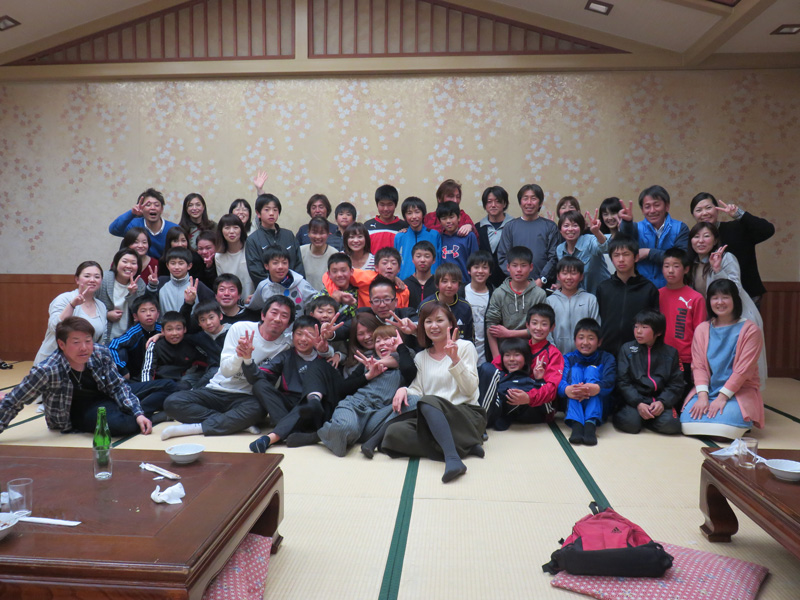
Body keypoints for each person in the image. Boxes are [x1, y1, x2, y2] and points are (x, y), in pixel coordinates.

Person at [160, 295, 294, 439]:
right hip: (217, 389)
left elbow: (306, 336)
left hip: (246, 398)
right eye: (274, 313)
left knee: (259, 410)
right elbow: (226, 371)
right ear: (263, 315)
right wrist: (240, 355)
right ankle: (235, 422)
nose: (277, 319)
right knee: (172, 402)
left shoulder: (287, 343)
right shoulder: (240, 328)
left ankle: (198, 428)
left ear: (288, 324)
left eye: (284, 316)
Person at [380, 302, 486, 483]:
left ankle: (453, 458)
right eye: (428, 322)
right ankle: (463, 445)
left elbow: (470, 389)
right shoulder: (421, 357)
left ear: (450, 324)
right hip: (435, 420)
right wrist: (403, 389)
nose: (434, 326)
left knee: (428, 401)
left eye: (439, 320)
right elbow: (417, 390)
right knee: (392, 434)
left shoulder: (464, 347)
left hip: (466, 415)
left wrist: (455, 360)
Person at [0, 318, 154, 436]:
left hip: (104, 400)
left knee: (164, 386)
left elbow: (117, 387)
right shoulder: (47, 370)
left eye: (88, 341)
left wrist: (138, 413)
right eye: (76, 342)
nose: (84, 348)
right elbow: (13, 401)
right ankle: (150, 413)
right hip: (74, 416)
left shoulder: (100, 353)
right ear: (62, 344)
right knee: (121, 425)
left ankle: (140, 412)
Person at [286, 326, 418, 456]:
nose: (382, 343)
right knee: (346, 428)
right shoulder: (368, 361)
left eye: (387, 339)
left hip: (378, 416)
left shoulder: (406, 356)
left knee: (415, 401)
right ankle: (318, 435)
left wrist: (400, 347)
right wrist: (367, 376)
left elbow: (409, 370)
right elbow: (342, 389)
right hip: (354, 407)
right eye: (378, 341)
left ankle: (373, 440)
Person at [680, 279, 765, 439]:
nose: (720, 302)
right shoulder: (702, 329)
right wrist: (703, 397)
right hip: (708, 389)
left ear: (735, 300)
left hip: (738, 391)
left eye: (725, 297)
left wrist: (722, 398)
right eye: (715, 298)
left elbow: (743, 371)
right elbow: (698, 366)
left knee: (726, 427)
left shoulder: (750, 330)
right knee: (687, 422)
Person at [687, 221, 767, 388]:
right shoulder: (692, 264)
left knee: (739, 362)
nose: (700, 240)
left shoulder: (726, 258)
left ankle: (744, 395)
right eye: (696, 236)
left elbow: (734, 289)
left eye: (706, 236)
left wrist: (718, 270)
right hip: (712, 318)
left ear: (716, 240)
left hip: (736, 315)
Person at [244, 315, 338, 452]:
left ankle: (273, 437)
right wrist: (247, 359)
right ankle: (295, 432)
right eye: (299, 334)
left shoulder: (324, 357)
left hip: (313, 407)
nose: (303, 339)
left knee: (311, 403)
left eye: (309, 335)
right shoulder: (285, 356)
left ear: (317, 337)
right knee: (260, 385)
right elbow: (259, 376)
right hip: (288, 404)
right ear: (292, 335)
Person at [690, 192, 774, 305]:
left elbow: (767, 230)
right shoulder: (695, 239)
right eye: (699, 210)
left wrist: (739, 215)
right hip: (712, 302)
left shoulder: (736, 228)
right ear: (693, 215)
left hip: (747, 296)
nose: (704, 213)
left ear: (717, 210)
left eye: (708, 208)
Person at [488, 303, 564, 427]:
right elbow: (494, 367)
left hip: (538, 408)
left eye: (544, 324)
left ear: (552, 327)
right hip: (515, 399)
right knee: (489, 372)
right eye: (534, 323)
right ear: (527, 325)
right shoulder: (520, 347)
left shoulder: (554, 354)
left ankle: (500, 415)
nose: (538, 328)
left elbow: (552, 389)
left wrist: (528, 397)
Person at [612, 309, 684, 435]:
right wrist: (638, 403)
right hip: (635, 401)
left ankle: (648, 419)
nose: (638, 331)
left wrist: (662, 402)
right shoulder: (627, 349)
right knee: (630, 424)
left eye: (644, 327)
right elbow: (623, 381)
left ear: (659, 332)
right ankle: (642, 418)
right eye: (636, 327)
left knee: (672, 425)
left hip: (658, 401)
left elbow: (676, 383)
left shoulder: (671, 353)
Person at [595, 235, 659, 358]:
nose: (621, 259)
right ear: (611, 259)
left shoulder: (648, 289)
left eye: (626, 254)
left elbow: (654, 324)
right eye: (616, 255)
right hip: (607, 353)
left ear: (636, 257)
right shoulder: (603, 288)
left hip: (638, 354)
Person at [34, 261, 107, 365]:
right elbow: (54, 327)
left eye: (97, 277)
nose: (92, 280)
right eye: (87, 276)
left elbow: (100, 340)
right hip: (53, 362)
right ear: (77, 279)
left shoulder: (101, 306)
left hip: (82, 364)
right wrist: (72, 305)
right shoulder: (64, 299)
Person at [618, 185, 690, 288]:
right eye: (647, 207)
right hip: (641, 288)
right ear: (642, 210)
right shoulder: (636, 228)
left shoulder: (680, 228)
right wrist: (627, 222)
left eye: (657, 205)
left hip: (672, 287)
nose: (652, 211)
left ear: (667, 206)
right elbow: (625, 240)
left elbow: (681, 259)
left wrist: (649, 253)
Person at [558, 318, 616, 445]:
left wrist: (596, 388)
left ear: (599, 342)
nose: (585, 342)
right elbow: (559, 382)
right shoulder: (568, 358)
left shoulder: (607, 358)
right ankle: (577, 424)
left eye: (591, 338)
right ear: (575, 340)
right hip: (574, 400)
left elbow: (610, 381)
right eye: (581, 338)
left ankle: (590, 424)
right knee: (576, 371)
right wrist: (567, 390)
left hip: (599, 403)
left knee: (591, 370)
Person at [659, 247, 707, 395]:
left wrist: (696, 362)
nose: (670, 270)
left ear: (686, 269)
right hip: (659, 357)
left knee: (682, 400)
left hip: (685, 359)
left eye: (676, 266)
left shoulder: (696, 298)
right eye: (666, 266)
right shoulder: (656, 295)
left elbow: (700, 334)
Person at [485, 246, 547, 360]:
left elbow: (542, 328)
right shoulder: (499, 293)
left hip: (532, 352)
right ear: (508, 267)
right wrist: (497, 358)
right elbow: (491, 326)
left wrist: (509, 333)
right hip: (505, 353)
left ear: (531, 267)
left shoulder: (539, 294)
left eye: (523, 265)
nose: (519, 270)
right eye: (515, 265)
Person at [497, 184, 559, 288]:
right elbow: (503, 257)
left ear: (540, 203)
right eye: (525, 198)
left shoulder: (550, 227)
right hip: (516, 286)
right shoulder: (510, 227)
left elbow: (554, 257)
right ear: (520, 202)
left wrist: (542, 279)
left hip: (543, 286)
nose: (529, 202)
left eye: (533, 198)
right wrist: (517, 278)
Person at [477, 338, 539, 430]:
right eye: (507, 355)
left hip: (494, 413)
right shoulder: (499, 374)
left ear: (526, 359)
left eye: (517, 355)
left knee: (487, 368)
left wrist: (540, 381)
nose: (511, 359)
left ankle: (479, 421)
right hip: (478, 407)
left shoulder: (527, 381)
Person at [245, 193, 304, 285]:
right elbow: (256, 272)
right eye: (267, 210)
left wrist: (293, 283)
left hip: (293, 287)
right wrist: (277, 286)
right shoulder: (252, 240)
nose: (271, 213)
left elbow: (298, 264)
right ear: (258, 213)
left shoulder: (289, 235)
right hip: (268, 289)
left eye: (275, 210)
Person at [546, 256, 599, 355]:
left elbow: (596, 328)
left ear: (581, 276)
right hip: (556, 357)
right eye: (564, 273)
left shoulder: (590, 300)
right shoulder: (550, 301)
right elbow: (546, 332)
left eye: (574, 273)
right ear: (558, 276)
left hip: (585, 356)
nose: (569, 277)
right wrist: (554, 354)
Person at [141, 311, 206, 390]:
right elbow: (147, 371)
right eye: (169, 329)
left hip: (182, 383)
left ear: (184, 329)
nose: (174, 333)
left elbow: (205, 361)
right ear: (162, 331)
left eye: (178, 329)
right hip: (160, 385)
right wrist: (147, 389)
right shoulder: (155, 345)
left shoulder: (190, 344)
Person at [109, 188, 178, 260]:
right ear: (141, 208)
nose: (152, 208)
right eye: (148, 205)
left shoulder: (173, 228)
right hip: (136, 265)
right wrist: (131, 213)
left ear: (162, 209)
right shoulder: (134, 224)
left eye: (156, 205)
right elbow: (114, 230)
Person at [247, 247, 318, 315]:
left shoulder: (301, 284)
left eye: (284, 263)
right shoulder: (263, 286)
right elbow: (253, 307)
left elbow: (318, 302)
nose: (280, 267)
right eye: (275, 263)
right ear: (266, 266)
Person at [96, 248, 146, 343]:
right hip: (103, 337)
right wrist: (106, 315)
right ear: (116, 263)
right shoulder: (104, 279)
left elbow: (139, 313)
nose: (129, 266)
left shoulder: (139, 284)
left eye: (133, 263)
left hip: (127, 339)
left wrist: (132, 294)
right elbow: (90, 304)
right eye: (125, 261)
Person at [556, 209, 609, 294]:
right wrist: (559, 284)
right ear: (560, 230)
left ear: (581, 228)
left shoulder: (589, 241)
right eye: (566, 226)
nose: (570, 229)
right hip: (578, 296)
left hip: (601, 293)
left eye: (575, 225)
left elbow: (604, 248)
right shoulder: (560, 249)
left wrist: (597, 232)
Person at [148, 247, 214, 313]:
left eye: (181, 263)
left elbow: (213, 302)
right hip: (165, 319)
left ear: (189, 266)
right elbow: (148, 302)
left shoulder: (196, 285)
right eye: (173, 263)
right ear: (167, 266)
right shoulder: (161, 282)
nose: (176, 267)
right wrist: (152, 286)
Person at [420, 262, 474, 342]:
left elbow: (469, 337)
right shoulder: (426, 305)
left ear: (459, 285)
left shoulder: (465, 307)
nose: (449, 285)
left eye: (454, 281)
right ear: (437, 284)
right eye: (444, 281)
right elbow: (420, 334)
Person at [394, 196, 442, 280]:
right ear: (404, 216)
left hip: (431, 282)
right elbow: (396, 261)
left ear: (423, 214)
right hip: (405, 282)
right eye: (409, 213)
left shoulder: (434, 235)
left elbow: (439, 260)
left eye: (417, 212)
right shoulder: (400, 237)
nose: (414, 216)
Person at [477, 185, 514, 289]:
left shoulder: (514, 226)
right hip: (484, 283)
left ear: (504, 204)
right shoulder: (478, 228)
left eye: (498, 201)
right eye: (489, 202)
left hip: (509, 281)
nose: (493, 205)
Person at [437, 201, 478, 283]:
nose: (448, 221)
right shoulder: (438, 238)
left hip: (465, 283)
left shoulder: (469, 236)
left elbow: (475, 262)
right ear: (439, 221)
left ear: (459, 217)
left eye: (451, 217)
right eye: (444, 218)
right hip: (444, 284)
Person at [215, 213, 254, 299]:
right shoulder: (219, 256)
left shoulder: (251, 249)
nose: (231, 231)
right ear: (221, 231)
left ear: (241, 230)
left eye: (236, 227)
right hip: (232, 302)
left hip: (253, 299)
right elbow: (223, 283)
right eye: (227, 228)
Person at [465, 250, 493, 365]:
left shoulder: (494, 294)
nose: (480, 271)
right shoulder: (461, 292)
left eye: (485, 267)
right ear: (469, 270)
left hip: (485, 355)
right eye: (476, 267)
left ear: (490, 272)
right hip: (463, 354)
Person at [365, 184, 407, 253]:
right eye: (382, 204)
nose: (386, 209)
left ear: (395, 205)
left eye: (390, 204)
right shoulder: (367, 226)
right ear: (377, 205)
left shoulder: (404, 227)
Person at [300, 217, 339, 291]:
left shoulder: (335, 254)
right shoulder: (300, 251)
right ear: (308, 233)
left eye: (322, 233)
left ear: (328, 234)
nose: (318, 237)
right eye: (314, 233)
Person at [404, 241, 437, 310]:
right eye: (418, 256)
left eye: (427, 256)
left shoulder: (438, 284)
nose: (422, 260)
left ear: (434, 260)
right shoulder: (405, 285)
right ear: (413, 259)